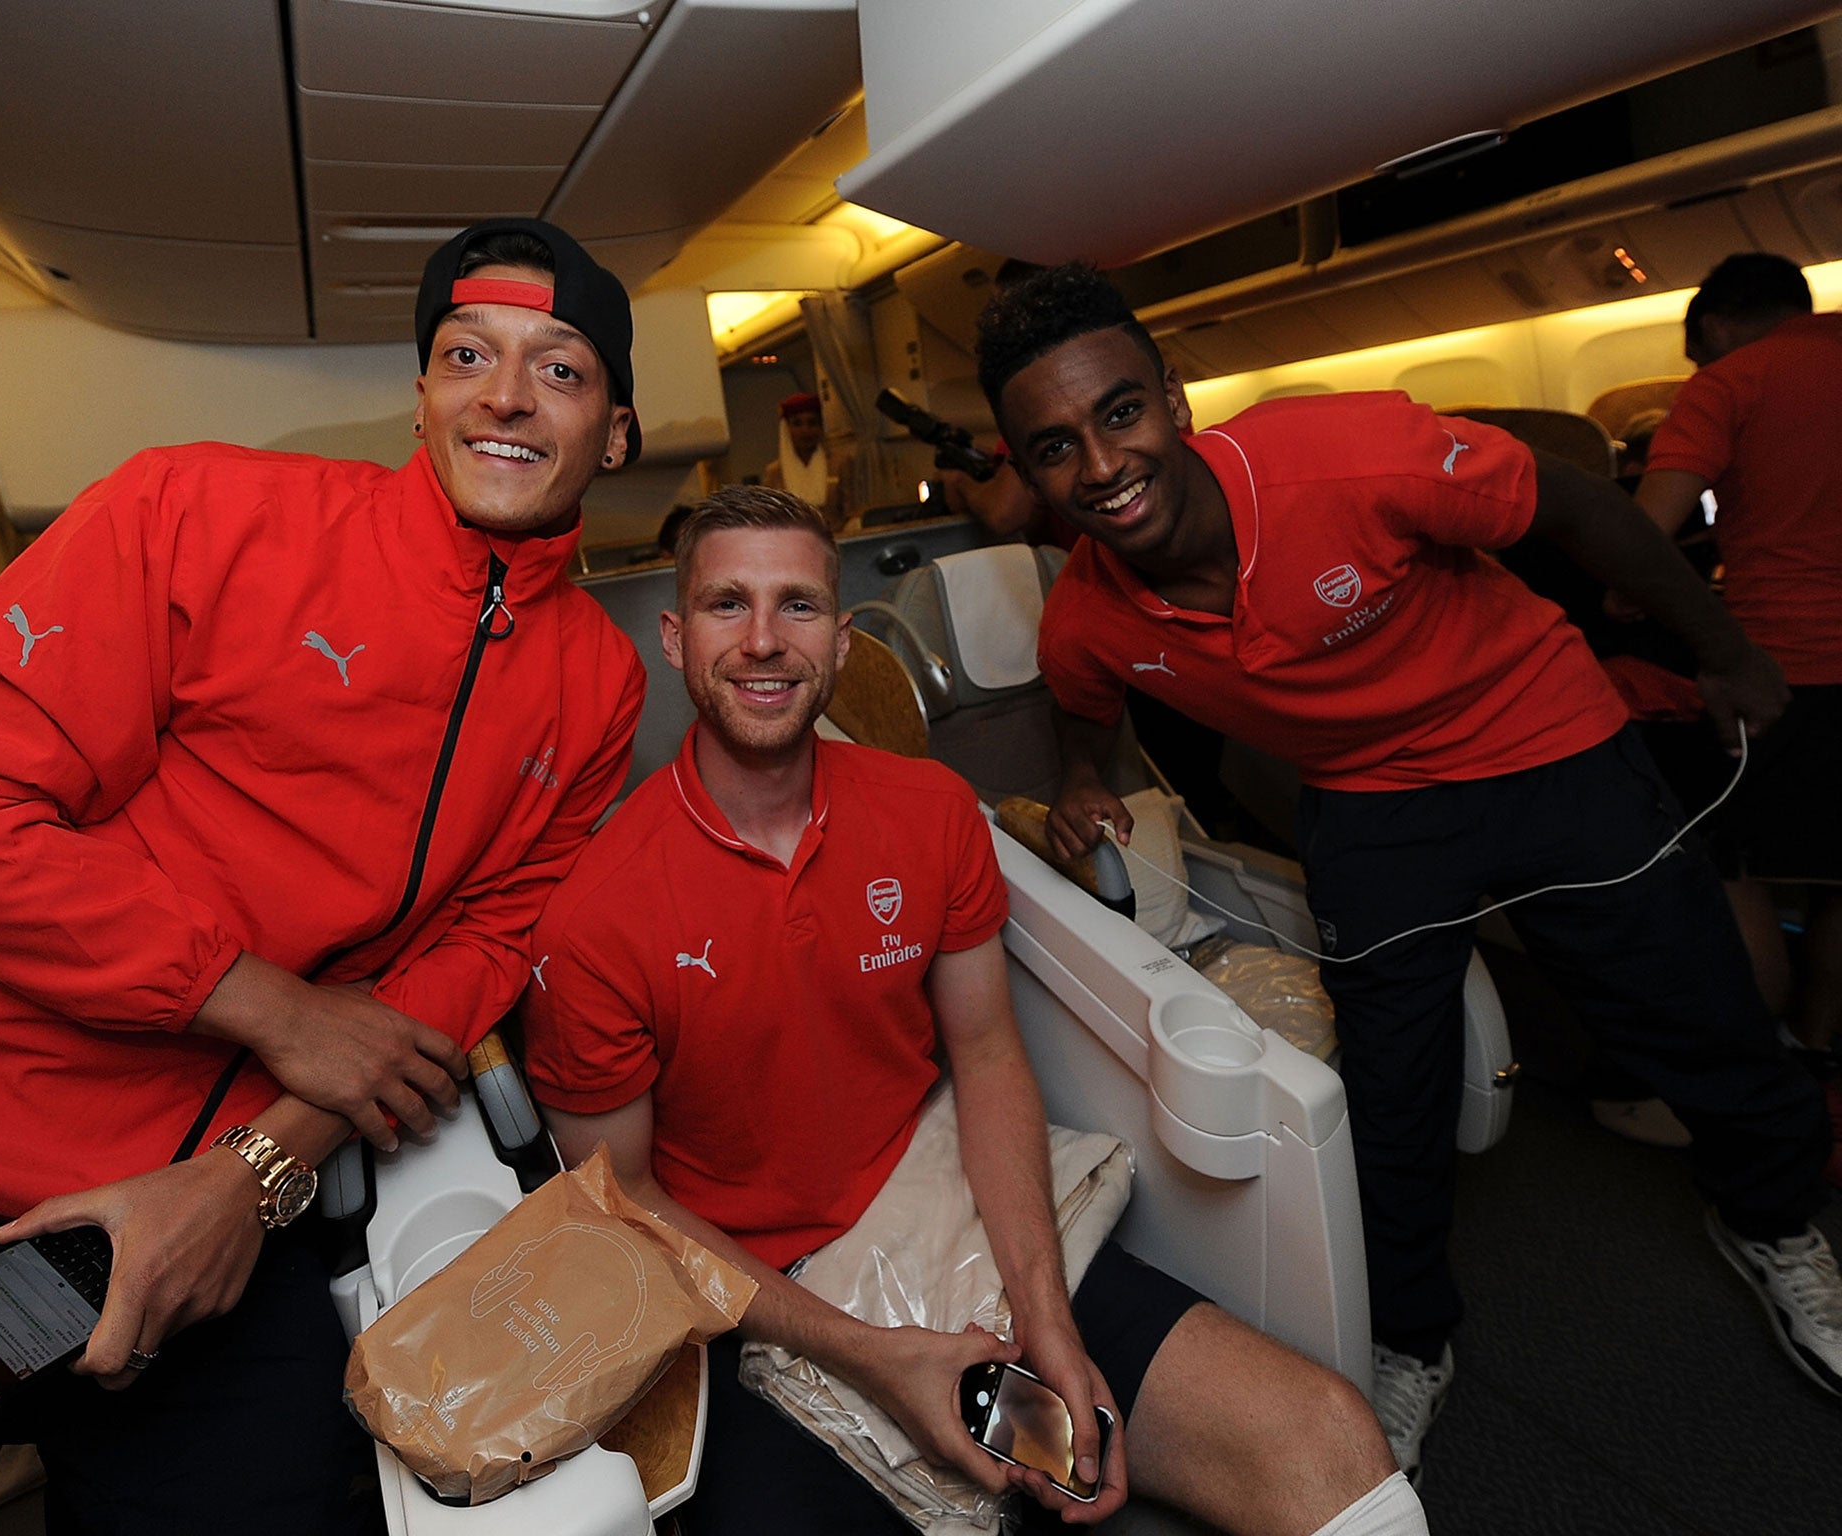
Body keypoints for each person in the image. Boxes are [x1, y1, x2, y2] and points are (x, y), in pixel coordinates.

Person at [0, 217, 647, 1534]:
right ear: (422, 396)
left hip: (209, 1222)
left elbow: (485, 939)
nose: (506, 393)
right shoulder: (197, 513)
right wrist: (273, 1009)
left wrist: (256, 1172)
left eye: (563, 368)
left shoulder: (596, 680)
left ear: (619, 432)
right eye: (467, 352)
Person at [976, 262, 1841, 1480]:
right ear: (1023, 465)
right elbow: (1083, 712)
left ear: (1172, 397)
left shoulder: (1342, 456)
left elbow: (1578, 508)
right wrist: (1076, 780)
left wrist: (1722, 656)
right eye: (1055, 446)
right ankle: (1411, 1336)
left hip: (1544, 735)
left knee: (1686, 999)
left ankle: (1770, 1221)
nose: (1102, 466)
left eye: (1119, 413)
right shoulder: (1088, 615)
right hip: (1374, 806)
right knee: (1389, 1081)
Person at [521, 486, 1425, 1536]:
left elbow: (987, 1053)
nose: (763, 642)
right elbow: (622, 1202)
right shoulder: (594, 916)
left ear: (842, 635)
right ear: (675, 638)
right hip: (752, 1291)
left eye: (798, 606)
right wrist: (874, 1355)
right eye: (728, 605)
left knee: (1323, 1440)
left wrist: (1044, 1320)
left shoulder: (928, 811)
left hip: (938, 1195)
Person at [1632, 253, 1842, 1059]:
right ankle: (1815, 1045)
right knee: (1840, 876)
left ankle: (1756, 1075)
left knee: (1733, 861)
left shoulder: (1730, 382)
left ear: (1714, 327)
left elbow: (1645, 534)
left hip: (1789, 668)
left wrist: (1623, 592)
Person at [761, 390, 843, 526]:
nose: (806, 430)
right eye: (797, 424)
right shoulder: (774, 472)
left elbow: (853, 512)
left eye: (812, 423)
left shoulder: (839, 463)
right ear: (787, 430)